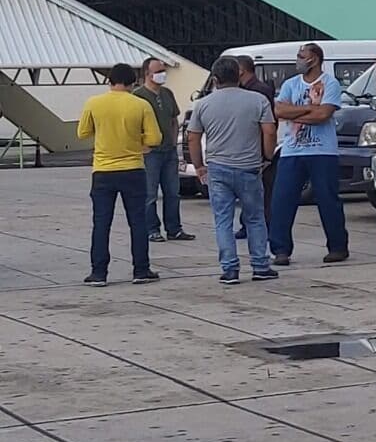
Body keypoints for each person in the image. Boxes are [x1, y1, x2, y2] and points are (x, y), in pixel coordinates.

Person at [186, 57, 278, 285]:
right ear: (238, 75)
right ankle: (260, 265)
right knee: (255, 218)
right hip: (249, 167)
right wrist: (266, 156)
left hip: (218, 168)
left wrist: (199, 166)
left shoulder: (203, 104)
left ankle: (229, 269)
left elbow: (193, 138)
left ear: (215, 80)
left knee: (223, 220)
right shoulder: (257, 100)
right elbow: (269, 131)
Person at [77, 63, 164, 286]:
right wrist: (139, 143)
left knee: (101, 222)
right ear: (132, 81)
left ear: (110, 80)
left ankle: (98, 273)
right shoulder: (141, 104)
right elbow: (155, 139)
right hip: (133, 169)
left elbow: (82, 132)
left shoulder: (94, 103)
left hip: (103, 171)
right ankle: (141, 270)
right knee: (137, 221)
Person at [269, 42, 349, 266]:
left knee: (327, 199)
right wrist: (308, 110)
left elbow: (323, 114)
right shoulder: (290, 84)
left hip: (322, 151)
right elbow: (279, 110)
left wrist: (295, 114)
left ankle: (337, 246)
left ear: (313, 59)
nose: (298, 60)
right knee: (282, 200)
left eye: (300, 56)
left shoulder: (330, 83)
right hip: (292, 151)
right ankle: (281, 249)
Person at [133, 57, 195, 244]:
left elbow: (173, 119)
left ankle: (174, 228)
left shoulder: (167, 93)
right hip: (150, 152)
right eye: (159, 71)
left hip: (168, 151)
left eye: (163, 71)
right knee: (150, 193)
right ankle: (152, 229)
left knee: (173, 191)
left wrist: (173, 140)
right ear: (147, 73)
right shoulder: (138, 95)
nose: (162, 74)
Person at [234, 54, 278, 237]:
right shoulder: (245, 89)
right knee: (249, 189)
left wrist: (266, 152)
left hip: (258, 145)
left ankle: (264, 224)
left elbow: (268, 123)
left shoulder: (259, 91)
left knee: (262, 189)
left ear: (241, 70)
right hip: (249, 144)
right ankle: (247, 223)